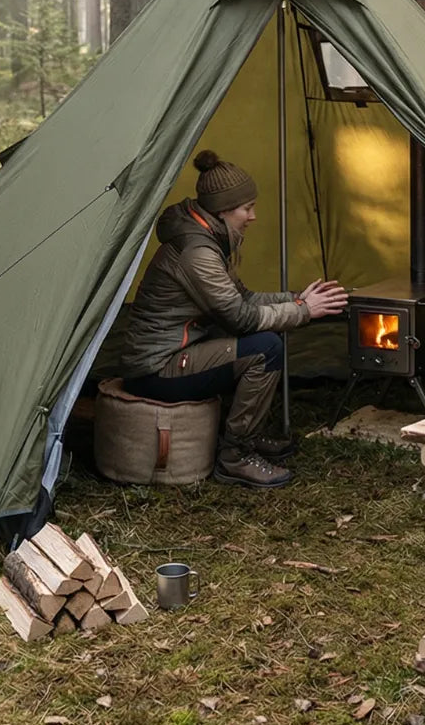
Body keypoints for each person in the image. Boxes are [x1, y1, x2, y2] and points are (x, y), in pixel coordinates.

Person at [117, 150, 347, 488]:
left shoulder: (207, 238)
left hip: (180, 352)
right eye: (247, 208)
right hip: (156, 368)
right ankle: (234, 456)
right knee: (265, 348)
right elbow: (239, 317)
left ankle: (247, 439)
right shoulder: (199, 253)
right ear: (223, 211)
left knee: (271, 336)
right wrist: (303, 311)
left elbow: (245, 298)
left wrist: (297, 299)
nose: (253, 216)